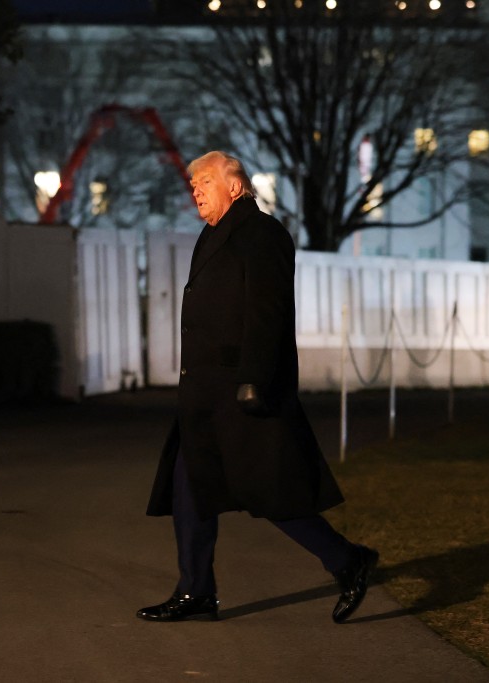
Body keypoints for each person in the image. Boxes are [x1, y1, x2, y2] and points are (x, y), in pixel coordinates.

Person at [137, 150, 378, 624]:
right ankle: (196, 592)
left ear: (233, 184)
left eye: (203, 181)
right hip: (202, 394)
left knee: (271, 491)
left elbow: (267, 313)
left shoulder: (263, 234)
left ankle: (347, 560)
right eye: (192, 184)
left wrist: (253, 379)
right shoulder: (211, 237)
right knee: (190, 491)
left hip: (240, 392)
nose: (195, 190)